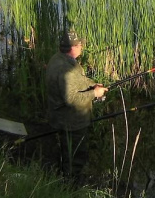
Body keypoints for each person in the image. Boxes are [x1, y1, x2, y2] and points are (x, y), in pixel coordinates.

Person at [45, 29, 108, 182]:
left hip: (59, 118)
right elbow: (72, 99)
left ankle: (65, 175)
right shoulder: (67, 70)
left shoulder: (57, 58)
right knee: (76, 155)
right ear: (72, 48)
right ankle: (72, 186)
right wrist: (95, 94)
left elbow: (77, 81)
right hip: (71, 123)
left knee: (66, 151)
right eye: (80, 44)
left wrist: (92, 84)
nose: (82, 47)